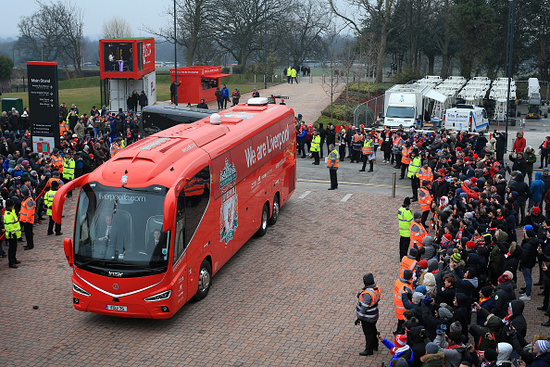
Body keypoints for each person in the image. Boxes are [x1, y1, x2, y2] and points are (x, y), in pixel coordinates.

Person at [355, 273, 381, 356]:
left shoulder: (367, 294)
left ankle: (369, 349)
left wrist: (359, 317)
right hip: (374, 314)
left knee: (368, 333)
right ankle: (375, 345)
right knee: (373, 330)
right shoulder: (376, 288)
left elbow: (364, 307)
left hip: (367, 317)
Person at [4, 199, 21, 268]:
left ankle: (14, 259)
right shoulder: (8, 214)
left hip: (14, 233)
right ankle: (11, 262)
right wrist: (12, 233)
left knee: (14, 248)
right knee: (11, 248)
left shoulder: (11, 212)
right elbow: (9, 225)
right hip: (11, 234)